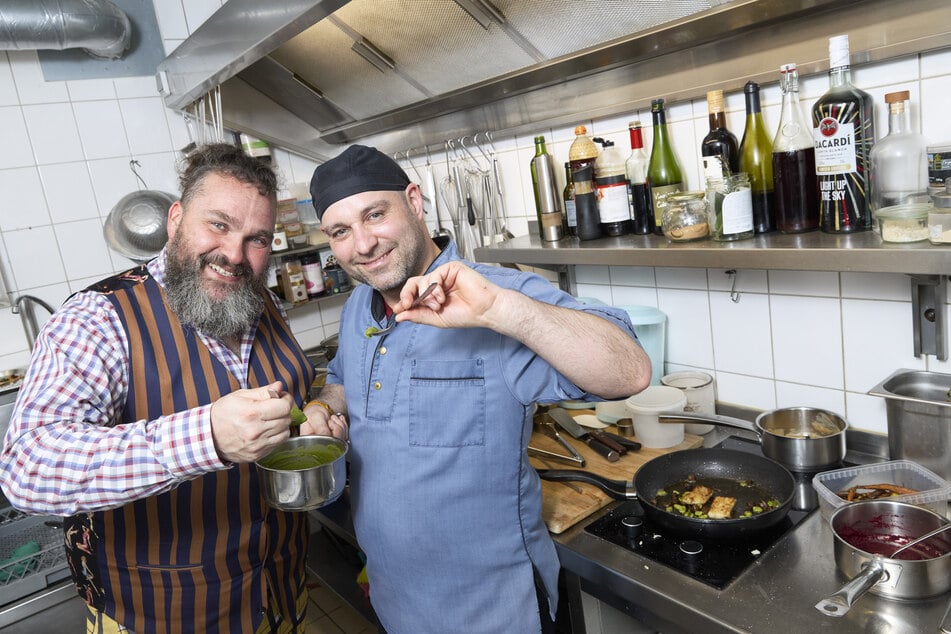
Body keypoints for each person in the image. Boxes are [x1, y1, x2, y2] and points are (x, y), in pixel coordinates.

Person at [304, 145, 652, 633]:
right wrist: (326, 404)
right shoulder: (358, 306)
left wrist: (502, 312)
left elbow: (629, 372)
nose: (362, 244)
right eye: (341, 231)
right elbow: (343, 378)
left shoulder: (490, 295)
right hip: (395, 599)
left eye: (375, 215)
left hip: (494, 611)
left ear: (414, 202)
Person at [0, 143, 333, 633]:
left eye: (256, 238)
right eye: (217, 224)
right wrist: (208, 438)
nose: (235, 255)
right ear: (176, 219)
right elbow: (27, 467)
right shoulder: (98, 319)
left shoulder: (263, 304)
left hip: (278, 592)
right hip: (159, 615)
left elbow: (295, 397)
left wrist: (321, 406)